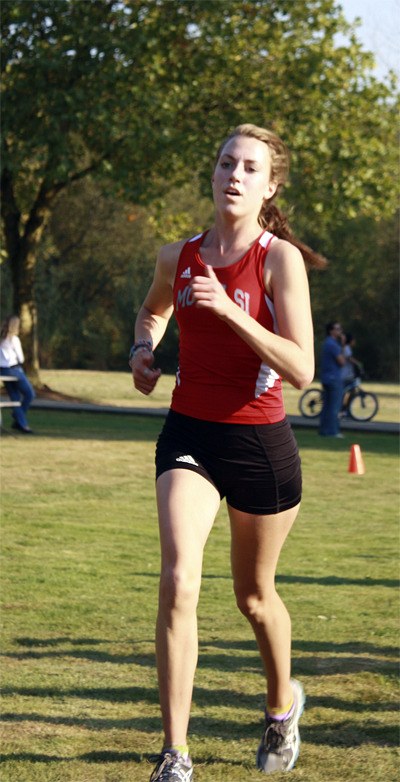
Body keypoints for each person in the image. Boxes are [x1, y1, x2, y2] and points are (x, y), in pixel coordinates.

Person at [130, 123, 326, 780]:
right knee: (179, 579)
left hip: (260, 446)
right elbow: (152, 311)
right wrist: (142, 350)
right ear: (211, 176)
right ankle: (175, 756)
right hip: (189, 432)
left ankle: (280, 707)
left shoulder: (278, 261)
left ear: (269, 186)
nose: (234, 176)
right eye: (224, 164)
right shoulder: (176, 255)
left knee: (254, 596)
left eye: (249, 168)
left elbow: (303, 371)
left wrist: (233, 312)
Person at [0, 315, 35, 433]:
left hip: (2, 370)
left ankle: (21, 423)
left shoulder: (1, 339)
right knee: (30, 394)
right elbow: (21, 358)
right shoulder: (14, 339)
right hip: (14, 370)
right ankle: (18, 417)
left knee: (14, 396)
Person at [319, 322, 345, 437]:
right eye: (337, 329)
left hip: (326, 378)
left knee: (326, 406)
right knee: (334, 406)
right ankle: (333, 431)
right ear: (331, 331)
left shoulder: (326, 343)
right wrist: (343, 345)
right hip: (334, 378)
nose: (340, 331)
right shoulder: (333, 344)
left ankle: (324, 430)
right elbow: (342, 361)